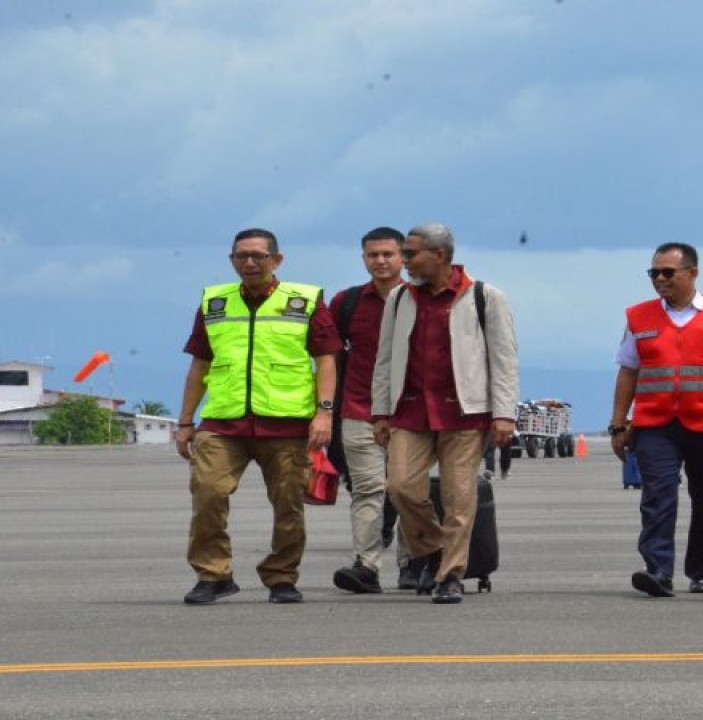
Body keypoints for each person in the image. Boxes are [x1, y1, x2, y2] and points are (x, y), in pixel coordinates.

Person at [175, 228, 340, 605]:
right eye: (241, 256)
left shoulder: (305, 301)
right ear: (231, 260)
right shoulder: (214, 302)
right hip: (223, 422)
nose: (249, 263)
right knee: (208, 493)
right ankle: (213, 574)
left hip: (287, 422)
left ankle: (282, 576)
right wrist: (185, 422)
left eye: (258, 256)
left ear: (276, 260)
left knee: (288, 504)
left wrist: (324, 413)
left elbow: (326, 360)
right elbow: (200, 365)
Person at [371, 222, 520, 604]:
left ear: (439, 255)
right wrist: (380, 411)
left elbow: (504, 360)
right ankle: (435, 550)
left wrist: (504, 414)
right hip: (410, 410)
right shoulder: (400, 298)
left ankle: (451, 574)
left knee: (459, 497)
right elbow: (385, 358)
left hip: (465, 413)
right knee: (400, 487)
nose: (404, 261)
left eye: (410, 254)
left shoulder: (484, 296)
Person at [610, 242, 703, 598]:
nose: (660, 279)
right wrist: (618, 424)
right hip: (656, 425)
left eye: (668, 272)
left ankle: (701, 570)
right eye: (654, 272)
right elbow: (628, 371)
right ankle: (658, 571)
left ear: (693, 273)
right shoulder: (638, 317)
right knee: (657, 496)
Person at [328, 227, 413, 594]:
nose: (380, 261)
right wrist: (324, 409)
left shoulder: (419, 299)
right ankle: (366, 566)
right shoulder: (346, 302)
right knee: (366, 490)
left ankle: (413, 563)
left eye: (388, 254)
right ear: (363, 258)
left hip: (411, 413)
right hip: (359, 408)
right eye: (373, 255)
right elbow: (329, 356)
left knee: (409, 491)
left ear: (404, 257)